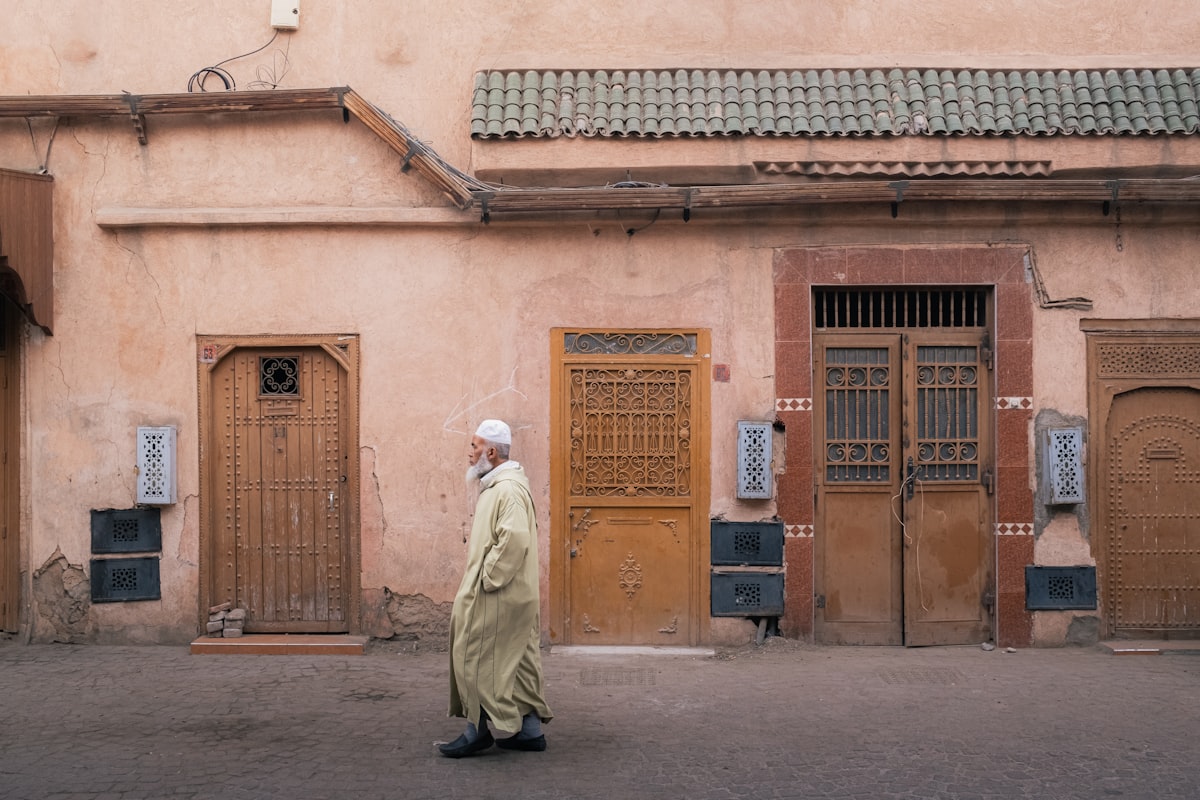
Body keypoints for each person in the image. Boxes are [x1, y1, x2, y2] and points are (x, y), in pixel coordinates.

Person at [440, 418, 553, 758]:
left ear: (490, 452)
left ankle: (476, 731)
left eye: (474, 446)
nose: (469, 453)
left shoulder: (507, 489)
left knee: (473, 654)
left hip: (500, 592)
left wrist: (488, 578)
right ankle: (530, 732)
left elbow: (513, 539)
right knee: (519, 659)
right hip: (512, 592)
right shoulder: (499, 486)